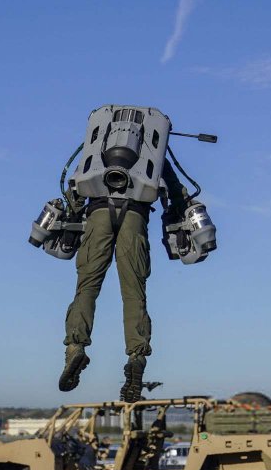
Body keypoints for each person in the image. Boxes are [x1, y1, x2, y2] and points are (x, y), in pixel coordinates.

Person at [59, 160, 191, 402]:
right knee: (134, 294)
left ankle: (75, 347)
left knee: (86, 288)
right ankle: (136, 357)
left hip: (98, 213)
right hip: (135, 216)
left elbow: (75, 184)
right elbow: (175, 190)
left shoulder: (100, 140)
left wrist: (74, 211)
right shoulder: (153, 143)